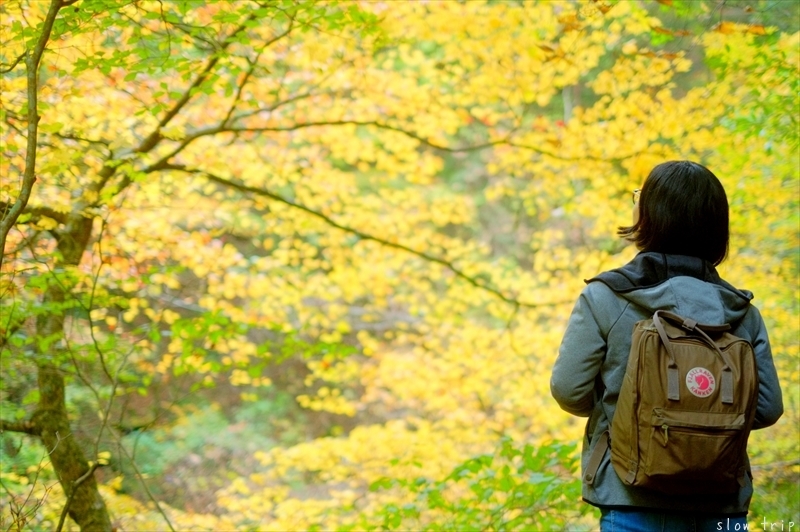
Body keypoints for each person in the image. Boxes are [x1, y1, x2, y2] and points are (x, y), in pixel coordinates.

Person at [550, 161, 783, 531]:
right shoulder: (741, 312)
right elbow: (768, 408)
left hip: (630, 497)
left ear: (649, 217)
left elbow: (568, 389)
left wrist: (629, 411)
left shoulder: (607, 297)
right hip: (721, 504)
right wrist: (708, 426)